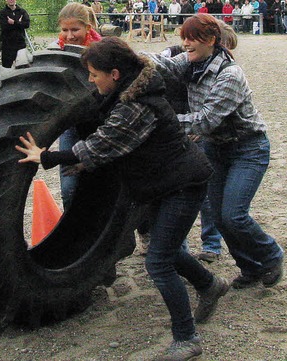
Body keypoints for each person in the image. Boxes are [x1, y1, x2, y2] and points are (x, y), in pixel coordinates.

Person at [15, 36, 230, 361]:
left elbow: (102, 144)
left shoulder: (137, 105)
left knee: (157, 261)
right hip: (160, 183)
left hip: (182, 185)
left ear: (114, 73)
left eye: (94, 74)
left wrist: (47, 157)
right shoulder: (123, 91)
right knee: (165, 249)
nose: (90, 80)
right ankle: (210, 285)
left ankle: (187, 338)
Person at [147, 14, 284, 289]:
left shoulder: (230, 74)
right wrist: (135, 59)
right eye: (183, 37)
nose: (185, 43)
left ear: (211, 40)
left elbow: (205, 119)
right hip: (215, 147)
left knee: (233, 215)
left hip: (248, 148)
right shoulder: (191, 61)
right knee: (221, 217)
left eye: (191, 38)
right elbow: (165, 65)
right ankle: (251, 268)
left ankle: (271, 255)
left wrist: (163, 121)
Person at [53, 3, 101, 209]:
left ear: (88, 28)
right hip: (72, 125)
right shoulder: (57, 51)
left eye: (75, 30)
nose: (70, 35)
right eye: (65, 30)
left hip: (101, 125)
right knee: (69, 188)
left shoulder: (102, 50)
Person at [0, 0, 30, 68]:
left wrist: (14, 22)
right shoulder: (2, 13)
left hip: (20, 44)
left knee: (22, 66)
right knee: (6, 67)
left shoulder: (22, 11)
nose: (11, 0)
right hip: (7, 45)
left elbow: (27, 24)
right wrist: (19, 23)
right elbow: (4, 26)